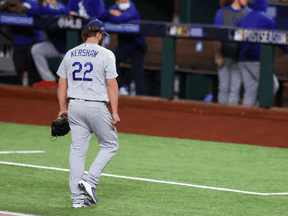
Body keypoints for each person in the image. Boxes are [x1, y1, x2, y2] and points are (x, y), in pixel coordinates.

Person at [56, 19, 120, 208]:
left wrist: (62, 107)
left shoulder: (70, 53)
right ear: (99, 35)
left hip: (74, 106)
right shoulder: (106, 54)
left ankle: (77, 200)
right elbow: (112, 84)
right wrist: (115, 111)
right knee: (110, 144)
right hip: (96, 107)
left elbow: (62, 83)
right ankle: (90, 180)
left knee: (77, 152)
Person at [99, 0, 147, 96]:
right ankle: (122, 87)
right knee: (110, 62)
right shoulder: (115, 7)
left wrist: (112, 17)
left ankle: (141, 97)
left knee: (137, 72)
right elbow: (100, 17)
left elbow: (120, 19)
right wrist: (110, 12)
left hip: (137, 45)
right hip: (124, 45)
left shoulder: (132, 9)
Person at [237, 0, 279, 106]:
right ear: (265, 5)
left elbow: (237, 38)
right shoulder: (268, 19)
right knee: (273, 85)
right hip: (256, 59)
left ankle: (245, 117)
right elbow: (277, 39)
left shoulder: (244, 18)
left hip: (242, 59)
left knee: (250, 90)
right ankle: (258, 108)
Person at [26, 0, 71, 88]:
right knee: (36, 49)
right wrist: (44, 8)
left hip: (70, 48)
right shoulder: (45, 5)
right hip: (57, 46)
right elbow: (30, 11)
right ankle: (49, 80)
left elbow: (61, 11)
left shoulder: (60, 6)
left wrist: (45, 8)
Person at [213, 0, 251, 105]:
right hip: (224, 56)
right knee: (223, 87)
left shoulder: (249, 13)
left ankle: (230, 118)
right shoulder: (222, 12)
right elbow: (216, 36)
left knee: (235, 89)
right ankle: (221, 117)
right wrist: (217, 55)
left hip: (239, 59)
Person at [4, 0, 45, 86]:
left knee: (33, 72)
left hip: (33, 41)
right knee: (19, 68)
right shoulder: (10, 1)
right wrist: (6, 4)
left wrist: (10, 5)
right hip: (18, 42)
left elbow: (21, 9)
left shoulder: (31, 1)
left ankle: (38, 93)